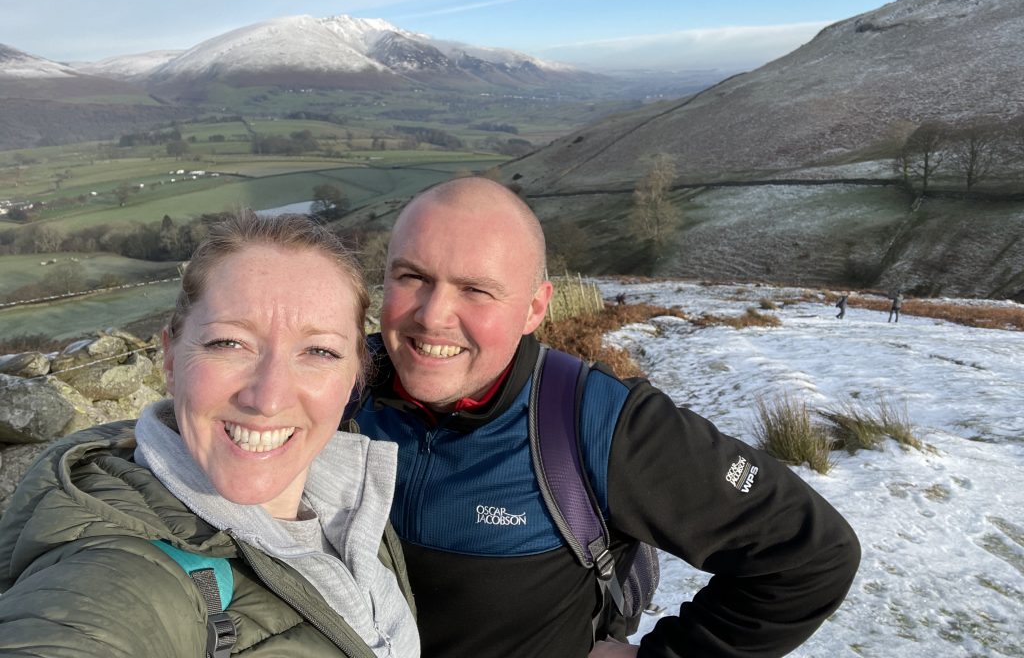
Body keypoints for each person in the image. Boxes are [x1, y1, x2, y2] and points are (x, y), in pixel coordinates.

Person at [353, 177, 861, 658]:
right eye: (412, 276)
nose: (433, 314)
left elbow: (812, 555)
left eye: (476, 290)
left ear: (534, 308)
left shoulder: (597, 424)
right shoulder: (333, 393)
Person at [0, 212, 419, 658]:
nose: (268, 397)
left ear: (355, 377)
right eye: (229, 343)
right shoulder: (114, 572)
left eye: (319, 350)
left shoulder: (348, 501)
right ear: (169, 360)